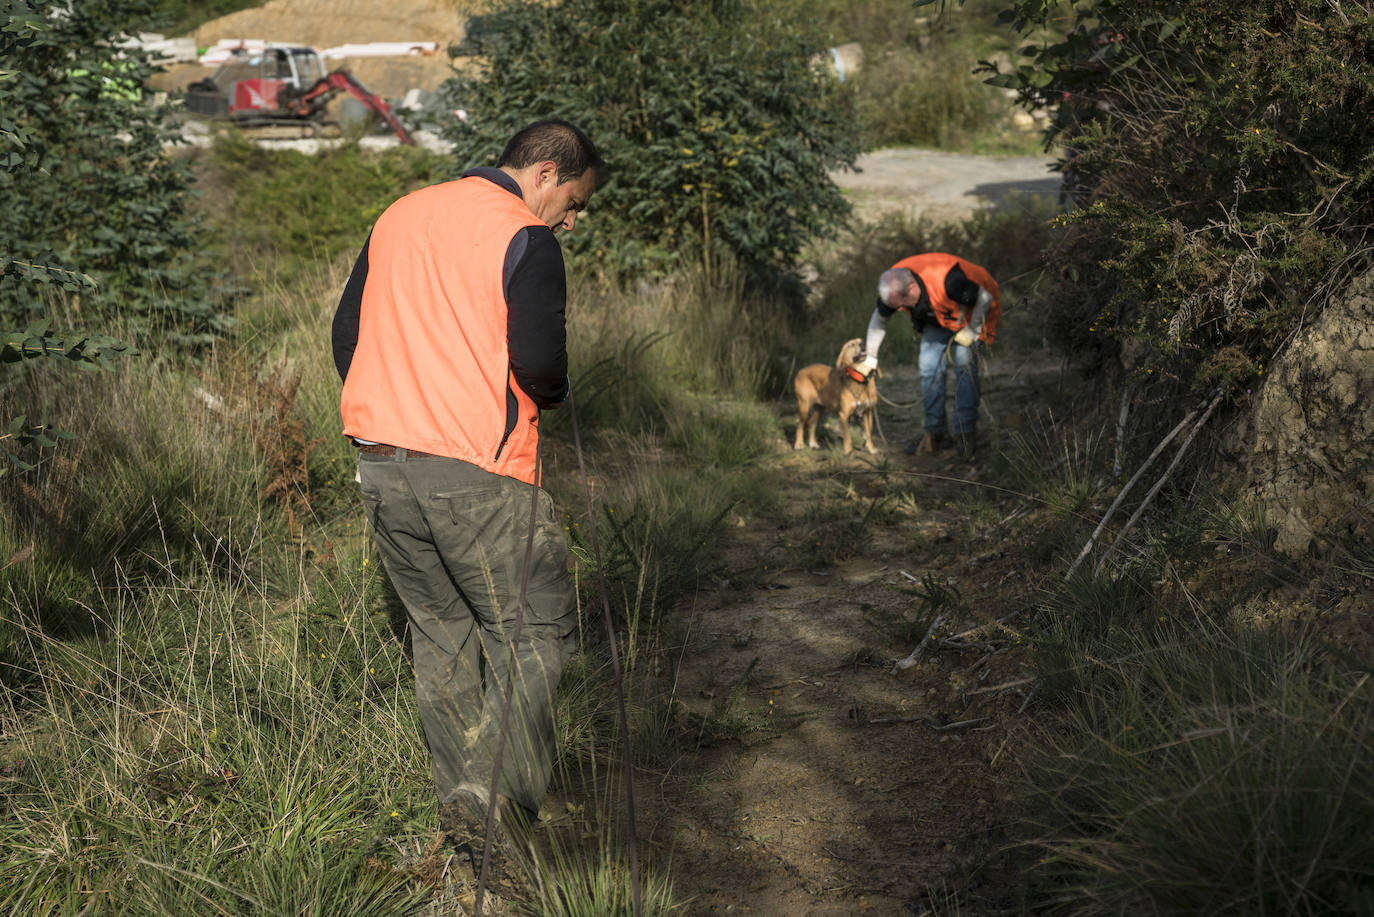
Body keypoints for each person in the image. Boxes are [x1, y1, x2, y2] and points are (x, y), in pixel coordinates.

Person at [331, 119, 601, 864]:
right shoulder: (525, 234)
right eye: (574, 201)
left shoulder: (402, 212)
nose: (571, 220)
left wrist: (399, 407)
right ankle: (494, 796)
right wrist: (555, 386)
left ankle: (465, 831)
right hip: (478, 467)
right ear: (545, 173)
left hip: (381, 462)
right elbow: (541, 363)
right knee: (536, 632)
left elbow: (346, 337)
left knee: (441, 639)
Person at [860, 253, 1000, 458]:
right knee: (928, 367)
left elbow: (985, 298)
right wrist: (871, 358)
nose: (899, 309)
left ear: (912, 288)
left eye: (902, 303)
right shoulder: (892, 285)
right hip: (940, 316)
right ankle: (936, 433)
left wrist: (972, 330)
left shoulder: (951, 282)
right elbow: (879, 320)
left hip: (974, 311)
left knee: (964, 367)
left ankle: (965, 434)